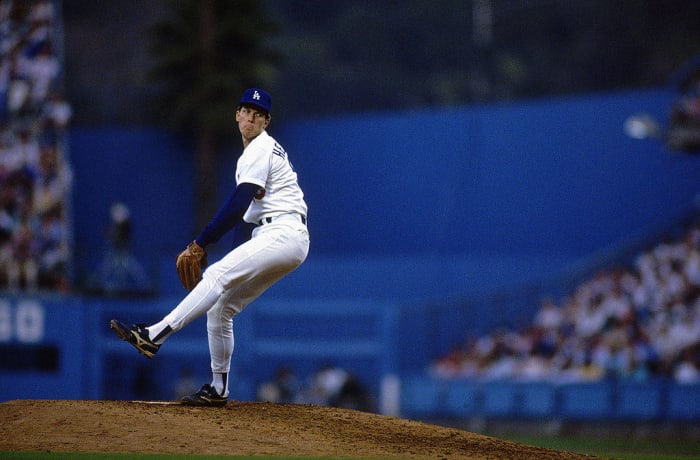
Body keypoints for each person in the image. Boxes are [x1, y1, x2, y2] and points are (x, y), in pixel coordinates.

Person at [110, 88, 310, 406]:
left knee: (215, 275)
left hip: (283, 232)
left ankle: (152, 336)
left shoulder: (260, 147)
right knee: (220, 307)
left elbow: (237, 204)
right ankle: (219, 389)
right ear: (237, 114)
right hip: (280, 236)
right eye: (246, 110)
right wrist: (228, 260)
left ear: (266, 121)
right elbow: (246, 218)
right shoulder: (255, 155)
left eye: (258, 113)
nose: (251, 116)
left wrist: (201, 242)